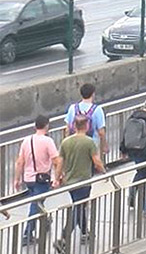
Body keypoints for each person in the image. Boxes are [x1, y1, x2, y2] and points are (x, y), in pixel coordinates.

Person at [55, 114, 105, 250]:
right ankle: (64, 237)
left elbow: (60, 162)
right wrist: (104, 172)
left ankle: (84, 232)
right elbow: (96, 161)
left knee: (79, 206)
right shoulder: (89, 142)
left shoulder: (66, 142)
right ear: (87, 126)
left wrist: (57, 178)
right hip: (83, 181)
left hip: (70, 181)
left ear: (74, 126)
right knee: (78, 208)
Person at [12, 115, 60, 246]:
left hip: (28, 178)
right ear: (47, 126)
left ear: (35, 126)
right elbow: (56, 160)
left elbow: (20, 161)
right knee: (35, 204)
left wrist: (17, 179)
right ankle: (27, 234)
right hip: (41, 179)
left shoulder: (26, 140)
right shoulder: (48, 141)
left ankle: (45, 219)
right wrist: (57, 177)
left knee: (36, 201)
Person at [121, 98, 146, 209]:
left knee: (141, 172)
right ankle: (144, 203)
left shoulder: (133, 116)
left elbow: (126, 133)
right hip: (145, 151)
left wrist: (123, 150)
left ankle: (132, 196)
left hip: (132, 150)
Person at [65, 83, 107, 157]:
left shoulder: (72, 108)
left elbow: (67, 129)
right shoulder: (97, 110)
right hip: (91, 145)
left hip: (74, 145)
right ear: (93, 94)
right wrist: (104, 145)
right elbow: (101, 132)